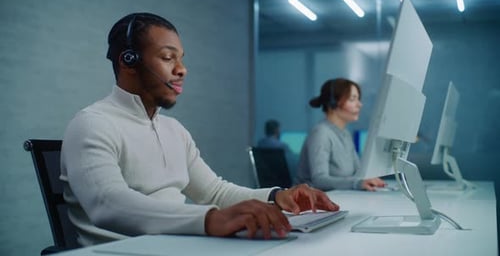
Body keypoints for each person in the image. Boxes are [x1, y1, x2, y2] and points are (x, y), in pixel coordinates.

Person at [60, 12, 339, 246]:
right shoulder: (92, 124)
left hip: (177, 246)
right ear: (128, 61)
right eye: (168, 58)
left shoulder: (173, 129)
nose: (182, 70)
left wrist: (277, 196)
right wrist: (211, 219)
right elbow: (108, 204)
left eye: (181, 58)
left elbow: (214, 193)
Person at [296, 78, 386, 191]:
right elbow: (319, 180)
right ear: (333, 102)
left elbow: (358, 172)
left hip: (337, 197)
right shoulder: (321, 133)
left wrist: (368, 180)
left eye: (358, 99)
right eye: (353, 99)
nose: (359, 104)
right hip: (313, 203)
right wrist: (357, 183)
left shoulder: (345, 134)